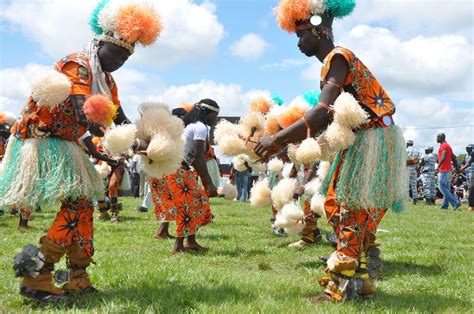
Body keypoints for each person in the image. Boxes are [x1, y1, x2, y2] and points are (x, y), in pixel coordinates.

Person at [1, 1, 163, 303]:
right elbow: (82, 115)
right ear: (100, 44)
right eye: (116, 54)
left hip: (66, 144)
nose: (119, 62)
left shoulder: (107, 81)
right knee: (77, 207)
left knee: (83, 208)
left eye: (126, 59)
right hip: (42, 142)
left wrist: (148, 140)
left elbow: (119, 118)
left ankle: (77, 277)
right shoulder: (78, 63)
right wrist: (126, 142)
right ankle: (37, 274)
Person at [256, 0, 407, 301]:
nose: (298, 43)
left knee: (347, 207)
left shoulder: (338, 57)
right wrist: (292, 143)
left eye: (301, 35)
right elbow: (328, 121)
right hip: (367, 139)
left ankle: (339, 286)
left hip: (373, 139)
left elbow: (322, 112)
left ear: (318, 29)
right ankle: (361, 280)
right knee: (342, 206)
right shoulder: (332, 65)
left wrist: (277, 139)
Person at [149, 100, 218, 253]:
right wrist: (209, 183)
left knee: (196, 202)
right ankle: (179, 246)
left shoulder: (191, 126)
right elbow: (199, 158)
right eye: (215, 115)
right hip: (177, 170)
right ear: (208, 113)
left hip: (176, 169)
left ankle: (190, 241)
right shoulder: (200, 127)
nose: (216, 119)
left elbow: (194, 157)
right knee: (188, 205)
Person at [436, 133, 461, 210]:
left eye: (437, 137)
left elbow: (443, 157)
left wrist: (437, 167)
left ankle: (455, 202)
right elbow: (454, 157)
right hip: (448, 170)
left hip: (444, 170)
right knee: (446, 188)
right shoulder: (448, 146)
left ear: (441, 138)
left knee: (441, 187)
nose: (436, 139)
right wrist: (457, 168)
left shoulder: (444, 146)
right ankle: (444, 205)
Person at [406, 140, 421, 205]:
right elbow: (418, 160)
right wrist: (417, 168)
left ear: (407, 144)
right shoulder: (416, 151)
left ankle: (405, 199)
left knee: (405, 185)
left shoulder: (405, 150)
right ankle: (415, 199)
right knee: (414, 185)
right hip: (414, 169)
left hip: (406, 169)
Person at [460, 144, 474, 211]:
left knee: (471, 188)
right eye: (466, 148)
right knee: (469, 188)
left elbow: (469, 163)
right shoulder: (467, 155)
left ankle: (471, 205)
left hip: (472, 172)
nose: (467, 149)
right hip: (467, 173)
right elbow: (467, 163)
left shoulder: (472, 154)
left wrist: (461, 169)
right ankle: (471, 204)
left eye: (468, 148)